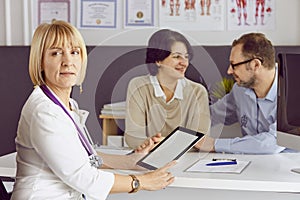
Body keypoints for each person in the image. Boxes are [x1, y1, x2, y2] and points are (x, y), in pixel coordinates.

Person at [11, 20, 176, 200]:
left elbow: (86, 158)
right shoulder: (44, 112)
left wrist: (133, 160)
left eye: (74, 52)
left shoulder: (67, 104)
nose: (68, 61)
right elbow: (83, 176)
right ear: (40, 61)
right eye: (56, 53)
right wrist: (141, 182)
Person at [195, 32, 285, 154]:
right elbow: (213, 115)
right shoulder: (240, 90)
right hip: (248, 164)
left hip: (288, 166)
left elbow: (275, 142)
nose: (229, 71)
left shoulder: (294, 92)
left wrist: (214, 144)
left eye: (234, 65)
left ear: (255, 64)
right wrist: (179, 133)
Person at [124, 29, 211, 149]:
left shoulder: (198, 92)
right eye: (177, 57)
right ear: (158, 60)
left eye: (186, 57)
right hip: (149, 158)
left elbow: (199, 139)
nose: (184, 63)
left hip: (186, 161)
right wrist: (154, 144)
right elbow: (132, 137)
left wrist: (162, 143)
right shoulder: (138, 86)